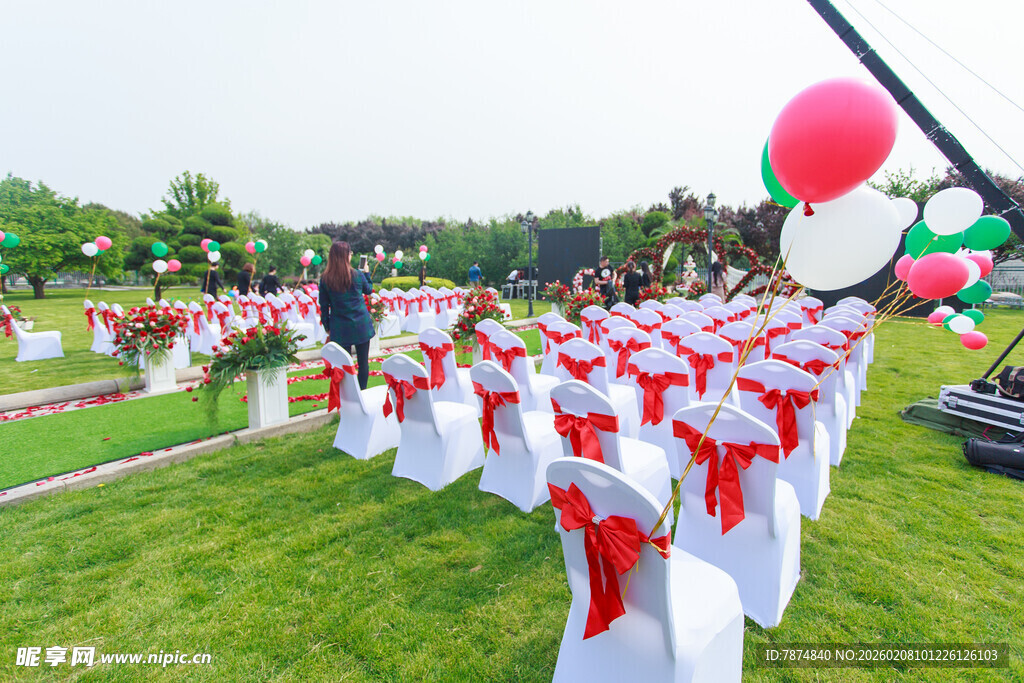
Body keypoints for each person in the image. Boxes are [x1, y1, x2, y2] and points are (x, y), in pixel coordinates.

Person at [319, 241, 375, 390]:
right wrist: (367, 273)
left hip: (340, 326)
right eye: (350, 253)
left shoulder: (325, 278)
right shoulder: (357, 275)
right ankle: (362, 395)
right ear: (346, 256)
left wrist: (327, 327)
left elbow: (324, 306)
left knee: (344, 364)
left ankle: (349, 397)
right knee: (363, 363)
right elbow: (369, 290)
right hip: (360, 324)